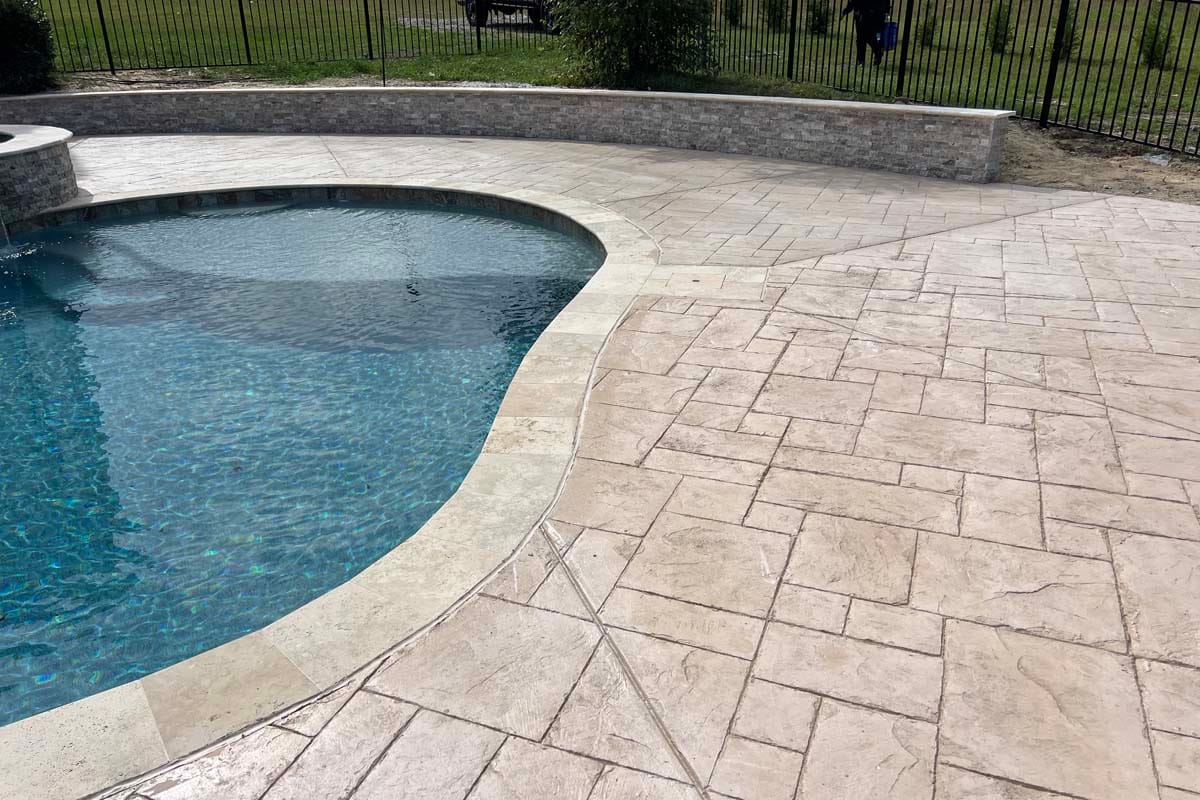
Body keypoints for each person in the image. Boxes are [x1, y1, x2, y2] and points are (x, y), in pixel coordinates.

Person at [841, 0, 890, 66]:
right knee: (863, 38)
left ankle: (875, 52)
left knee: (865, 37)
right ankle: (866, 58)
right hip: (871, 12)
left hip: (868, 13)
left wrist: (846, 10)